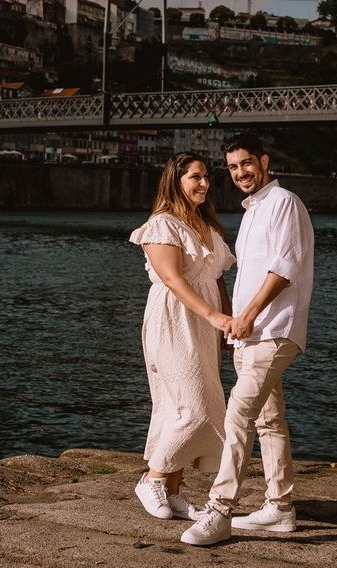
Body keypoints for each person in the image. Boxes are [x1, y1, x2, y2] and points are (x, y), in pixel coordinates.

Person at [182, 132, 315, 546]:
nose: (240, 172)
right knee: (268, 420)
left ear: (264, 161)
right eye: (233, 167)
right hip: (250, 334)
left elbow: (284, 268)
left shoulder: (283, 202)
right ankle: (280, 507)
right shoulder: (253, 209)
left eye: (247, 163)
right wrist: (237, 328)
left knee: (238, 413)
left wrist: (249, 317)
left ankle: (220, 509)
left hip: (274, 329)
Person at [129, 152, 235, 522]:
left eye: (206, 176)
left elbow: (217, 279)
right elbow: (173, 280)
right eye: (195, 177)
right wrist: (215, 316)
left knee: (187, 407)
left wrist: (226, 323)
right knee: (194, 409)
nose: (204, 183)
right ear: (176, 181)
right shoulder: (162, 224)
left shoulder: (207, 224)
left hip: (205, 326)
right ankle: (152, 478)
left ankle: (173, 491)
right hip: (173, 321)